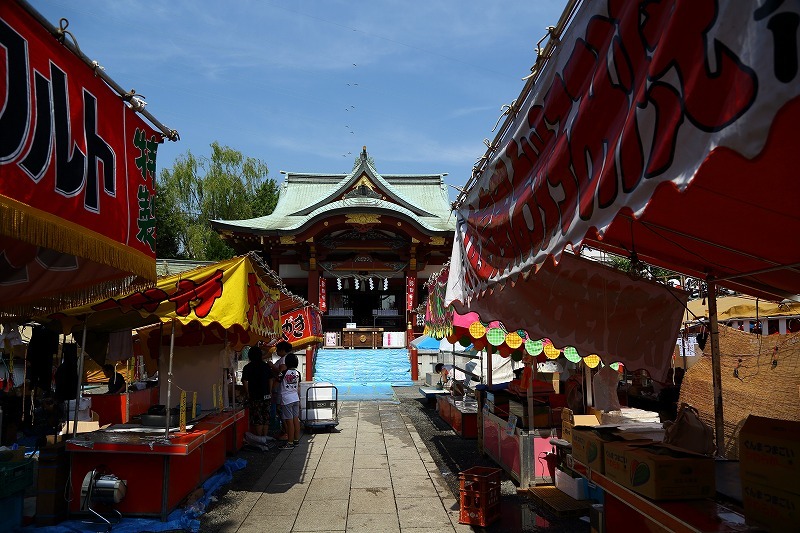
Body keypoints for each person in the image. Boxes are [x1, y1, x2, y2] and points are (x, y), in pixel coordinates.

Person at [241, 345, 272, 442]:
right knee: (265, 415)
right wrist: (269, 391)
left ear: (250, 356)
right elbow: (271, 379)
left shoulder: (247, 367)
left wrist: (247, 393)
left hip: (254, 395)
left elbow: (245, 381)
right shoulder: (266, 366)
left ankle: (260, 438)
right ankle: (265, 436)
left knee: (257, 416)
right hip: (266, 394)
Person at [270, 341, 293, 438]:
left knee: (282, 413)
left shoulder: (283, 360)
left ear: (282, 350)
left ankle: (286, 433)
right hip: (287, 391)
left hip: (281, 390)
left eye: (278, 350)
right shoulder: (286, 359)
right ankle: (287, 433)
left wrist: (271, 366)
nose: (277, 352)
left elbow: (281, 373)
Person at [278, 352, 301, 449]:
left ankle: (290, 442)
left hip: (287, 399)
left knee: (289, 421)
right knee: (296, 419)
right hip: (295, 398)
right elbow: (298, 386)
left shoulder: (283, 373)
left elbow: (277, 381)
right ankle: (296, 440)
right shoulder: (298, 373)